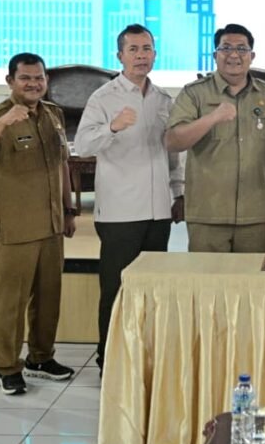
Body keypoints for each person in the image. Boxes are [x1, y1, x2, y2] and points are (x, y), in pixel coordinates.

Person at [0, 53, 76, 395]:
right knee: (10, 303)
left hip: (51, 225)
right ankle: (8, 366)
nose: (33, 84)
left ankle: (41, 358)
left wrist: (68, 210)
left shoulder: (53, 114)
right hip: (13, 226)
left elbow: (62, 164)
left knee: (48, 298)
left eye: (39, 78)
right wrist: (3, 123)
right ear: (10, 81)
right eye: (25, 78)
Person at [74, 24, 184, 373]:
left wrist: (178, 192)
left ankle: (147, 355)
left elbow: (172, 154)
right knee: (117, 289)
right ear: (120, 56)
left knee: (152, 287)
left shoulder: (164, 100)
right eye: (133, 49)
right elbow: (83, 145)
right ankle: (109, 358)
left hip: (158, 210)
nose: (140, 55)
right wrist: (112, 127)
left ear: (155, 54)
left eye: (146, 49)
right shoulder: (103, 98)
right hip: (120, 211)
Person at [166, 24, 265, 253]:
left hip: (254, 214)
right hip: (208, 213)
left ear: (252, 56)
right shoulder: (194, 93)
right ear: (215, 55)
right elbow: (173, 141)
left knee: (253, 276)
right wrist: (212, 118)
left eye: (241, 49)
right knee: (207, 277)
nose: (234, 55)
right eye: (226, 48)